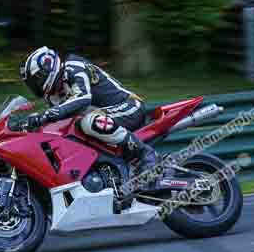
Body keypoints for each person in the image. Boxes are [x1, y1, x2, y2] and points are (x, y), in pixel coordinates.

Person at [19, 46, 156, 175]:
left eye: (37, 79)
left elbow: (83, 98)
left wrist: (47, 115)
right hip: (107, 116)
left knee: (90, 122)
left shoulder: (74, 67)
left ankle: (145, 154)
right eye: (31, 83)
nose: (35, 86)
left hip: (129, 106)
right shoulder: (53, 96)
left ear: (49, 69)